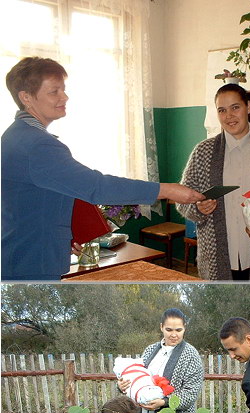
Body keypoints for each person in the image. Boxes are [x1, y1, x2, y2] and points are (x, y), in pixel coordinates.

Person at [1, 57, 204, 281]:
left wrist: (63, 234)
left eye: (64, 89)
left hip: (23, 253)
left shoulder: (17, 136)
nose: (64, 97)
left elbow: (36, 201)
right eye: (54, 91)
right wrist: (166, 190)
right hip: (30, 263)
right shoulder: (38, 145)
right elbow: (96, 186)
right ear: (26, 97)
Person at [176, 83, 250, 280]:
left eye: (235, 107)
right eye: (222, 110)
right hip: (217, 257)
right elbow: (183, 200)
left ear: (248, 107)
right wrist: (199, 208)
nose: (229, 116)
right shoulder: (203, 152)